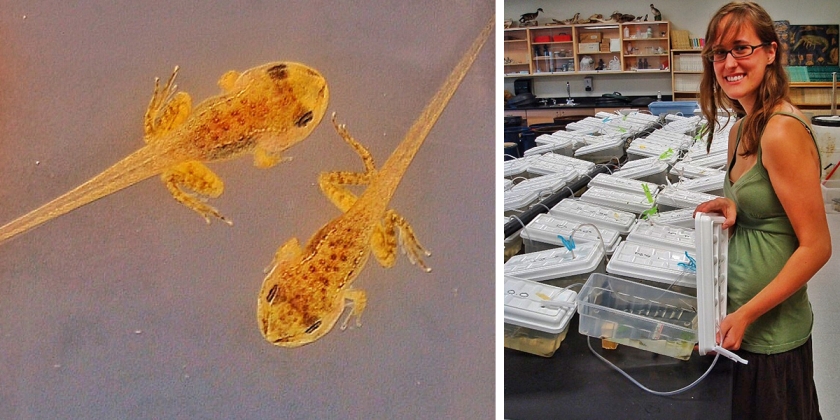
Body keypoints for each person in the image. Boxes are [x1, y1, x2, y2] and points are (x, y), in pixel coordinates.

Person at [693, 2, 830, 419]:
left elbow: (817, 247)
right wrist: (736, 207)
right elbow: (771, 205)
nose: (729, 63)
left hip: (770, 331)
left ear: (770, 52)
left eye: (741, 48)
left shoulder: (781, 130)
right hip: (743, 324)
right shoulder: (741, 127)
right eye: (719, 53)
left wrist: (747, 313)